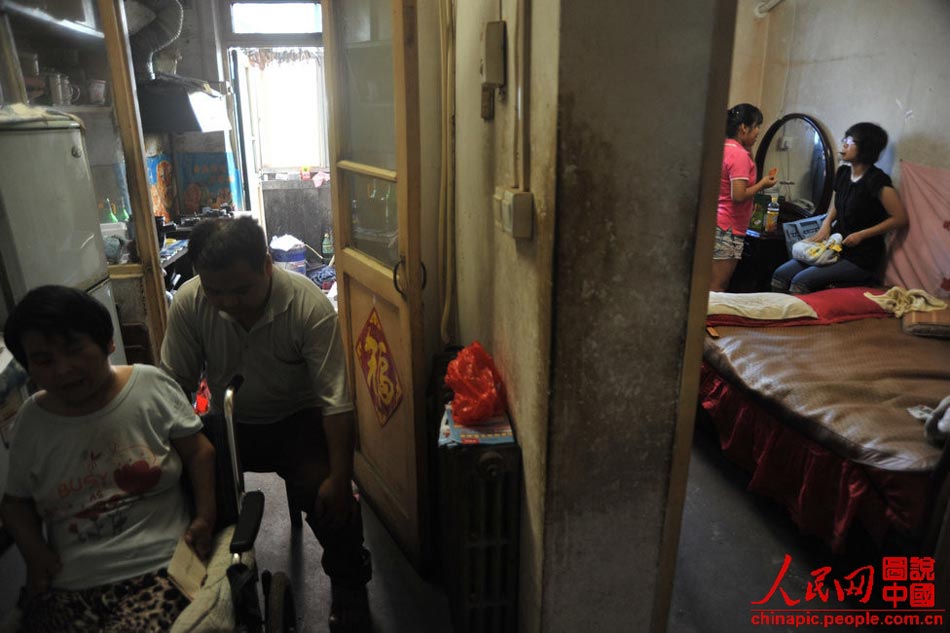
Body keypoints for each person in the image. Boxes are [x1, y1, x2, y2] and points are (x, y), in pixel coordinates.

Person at [159, 217, 372, 632]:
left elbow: (336, 402)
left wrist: (341, 476)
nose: (227, 303)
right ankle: (205, 586)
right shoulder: (188, 302)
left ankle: (350, 583)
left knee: (333, 497)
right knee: (185, 491)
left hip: (298, 421)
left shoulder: (308, 306)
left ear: (267, 265)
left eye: (241, 290)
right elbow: (172, 389)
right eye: (214, 291)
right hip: (229, 423)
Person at [1, 285, 216, 632]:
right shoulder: (31, 420)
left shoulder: (149, 387)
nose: (63, 370)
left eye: (74, 350)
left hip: (158, 570)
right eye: (43, 361)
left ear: (107, 342)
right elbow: (14, 504)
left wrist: (205, 517)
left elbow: (200, 453)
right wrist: (34, 552)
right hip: (68, 585)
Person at [771, 122, 908, 294]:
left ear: (866, 148)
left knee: (801, 281)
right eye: (845, 139)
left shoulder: (877, 181)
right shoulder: (843, 173)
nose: (844, 144)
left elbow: (900, 218)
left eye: (850, 142)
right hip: (835, 247)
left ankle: (797, 319)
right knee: (781, 274)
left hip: (861, 257)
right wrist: (826, 224)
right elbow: (838, 204)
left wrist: (862, 235)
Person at [711, 103, 778, 291]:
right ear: (743, 127)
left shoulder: (723, 148)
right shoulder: (738, 154)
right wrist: (762, 184)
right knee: (718, 286)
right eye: (756, 126)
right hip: (728, 227)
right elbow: (738, 195)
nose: (757, 132)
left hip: (717, 222)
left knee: (708, 284)